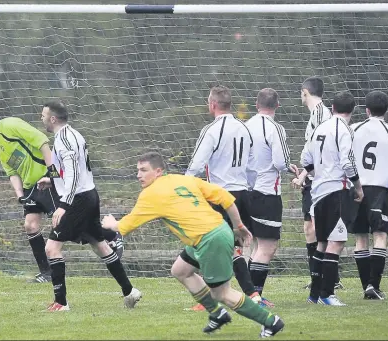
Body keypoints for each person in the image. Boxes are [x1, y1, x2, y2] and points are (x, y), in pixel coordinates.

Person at [102, 152, 285, 338]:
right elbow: (225, 197)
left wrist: (111, 223)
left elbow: (124, 227)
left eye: (143, 170)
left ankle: (271, 322)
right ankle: (217, 314)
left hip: (209, 239)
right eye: (137, 170)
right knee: (180, 270)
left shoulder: (151, 194)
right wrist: (238, 226)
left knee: (222, 293)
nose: (138, 175)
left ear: (158, 171)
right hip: (217, 229)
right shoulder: (185, 180)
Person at [0, 111, 123, 283]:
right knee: (30, 225)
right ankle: (46, 272)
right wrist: (20, 195)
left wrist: (53, 176)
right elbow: (12, 172)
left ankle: (111, 236)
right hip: (30, 188)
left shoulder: (10, 124)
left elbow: (42, 141)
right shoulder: (0, 145)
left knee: (67, 225)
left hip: (45, 180)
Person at [36, 101, 141, 311]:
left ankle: (61, 302)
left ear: (53, 118)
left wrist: (64, 205)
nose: (41, 118)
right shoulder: (70, 135)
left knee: (52, 247)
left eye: (43, 115)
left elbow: (74, 173)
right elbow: (64, 168)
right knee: (99, 245)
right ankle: (130, 291)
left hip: (77, 199)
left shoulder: (65, 139)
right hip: (88, 195)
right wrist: (51, 179)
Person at [184, 85, 265, 309]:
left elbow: (197, 165)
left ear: (212, 105)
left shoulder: (211, 130)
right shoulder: (244, 128)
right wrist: (248, 188)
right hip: (241, 194)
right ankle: (247, 294)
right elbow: (253, 166)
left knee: (213, 246)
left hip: (219, 195)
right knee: (233, 248)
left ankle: (228, 295)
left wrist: (185, 188)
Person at [300, 90, 363, 306]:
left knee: (322, 243)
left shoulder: (320, 127)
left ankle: (314, 296)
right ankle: (327, 294)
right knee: (336, 243)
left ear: (333, 108)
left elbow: (305, 159)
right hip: (337, 191)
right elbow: (347, 162)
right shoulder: (344, 130)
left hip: (318, 192)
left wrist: (317, 173)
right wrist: (358, 187)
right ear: (352, 111)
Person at [349, 91, 388, 300]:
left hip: (355, 189)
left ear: (366, 110)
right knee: (380, 236)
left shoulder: (353, 129)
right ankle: (373, 285)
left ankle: (367, 286)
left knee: (360, 238)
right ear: (386, 110)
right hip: (379, 191)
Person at [291, 76, 343, 290]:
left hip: (321, 182)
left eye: (300, 93)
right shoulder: (316, 114)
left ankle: (327, 278)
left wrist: (304, 175)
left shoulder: (322, 115)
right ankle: (319, 277)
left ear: (305, 92)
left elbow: (321, 150)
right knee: (309, 229)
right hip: (313, 178)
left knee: (317, 229)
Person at [244, 88, 294, 301]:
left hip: (245, 192)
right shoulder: (276, 129)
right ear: (277, 106)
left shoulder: (244, 126)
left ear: (256, 105)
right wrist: (290, 168)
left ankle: (248, 295)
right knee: (267, 246)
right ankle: (255, 296)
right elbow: (280, 162)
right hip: (267, 193)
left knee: (252, 245)